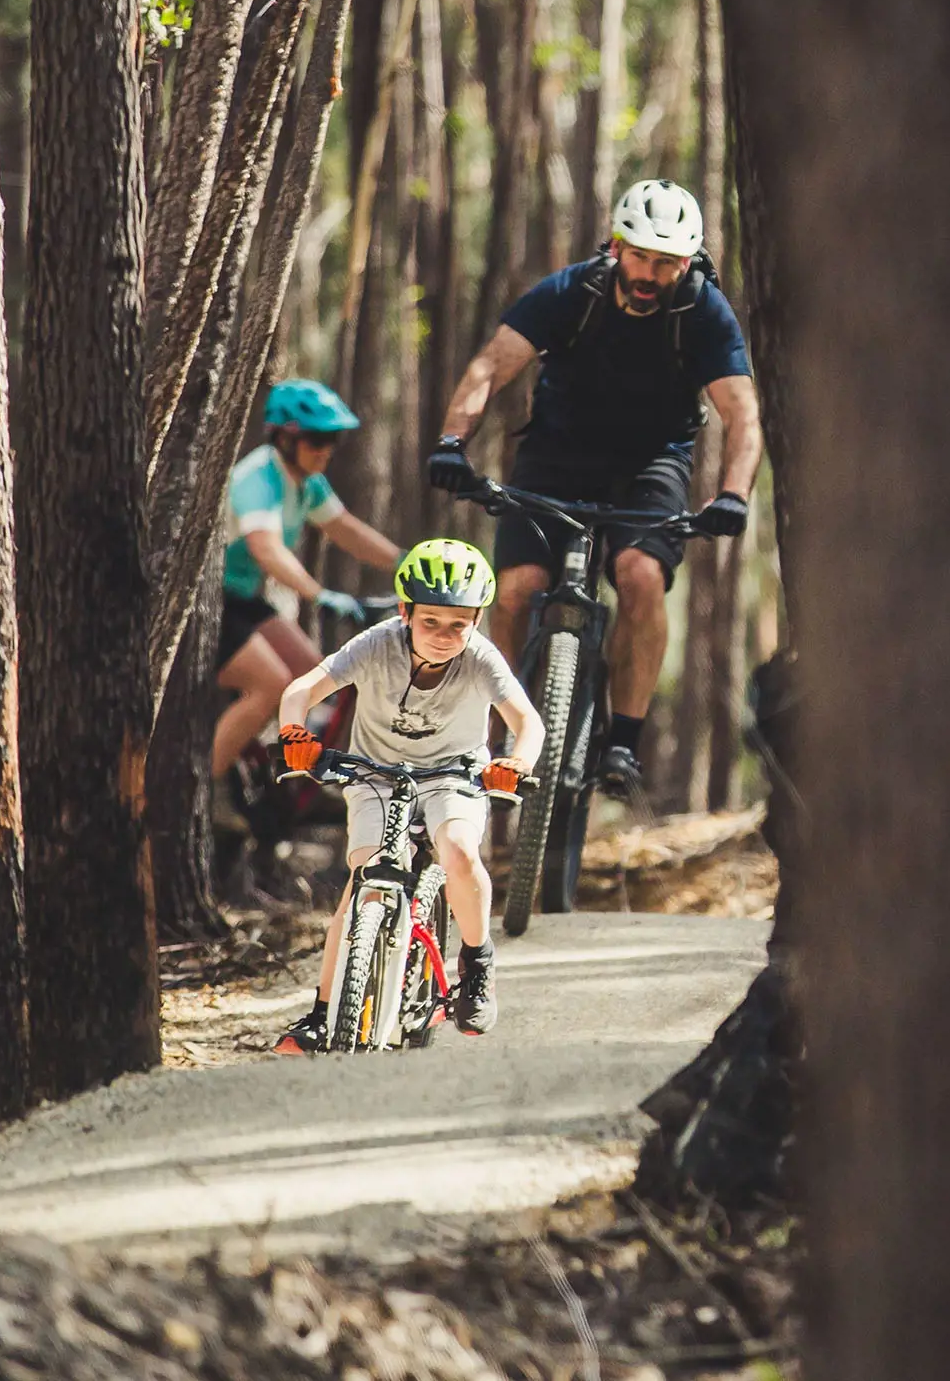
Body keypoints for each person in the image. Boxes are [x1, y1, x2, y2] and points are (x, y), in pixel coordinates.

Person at [424, 179, 761, 792]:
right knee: (517, 590)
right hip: (555, 454)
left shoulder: (703, 312)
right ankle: (504, 736)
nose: (648, 273)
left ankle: (622, 745)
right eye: (639, 256)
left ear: (684, 264)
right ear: (617, 246)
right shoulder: (571, 292)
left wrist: (734, 493)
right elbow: (491, 366)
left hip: (652, 465)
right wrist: (452, 443)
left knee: (638, 576)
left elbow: (742, 414)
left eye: (664, 263)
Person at [269, 540, 543, 1052]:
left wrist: (516, 764)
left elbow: (527, 722)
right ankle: (323, 1014)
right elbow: (300, 691)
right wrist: (294, 735)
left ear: (477, 621)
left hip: (453, 777)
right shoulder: (376, 644)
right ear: (405, 613)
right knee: (362, 881)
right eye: (430, 622)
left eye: (459, 624)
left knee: (459, 850)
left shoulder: (481, 658)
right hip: (375, 775)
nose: (444, 636)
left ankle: (477, 965)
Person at [215, 379, 403, 781]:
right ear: (285, 438)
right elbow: (265, 548)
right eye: (317, 439)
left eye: (332, 439)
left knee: (315, 675)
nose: (326, 450)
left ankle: (287, 776)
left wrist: (407, 563)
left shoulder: (305, 481)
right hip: (213, 604)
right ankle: (209, 794)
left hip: (244, 599)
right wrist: (318, 595)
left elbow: (345, 529)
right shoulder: (259, 477)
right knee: (270, 684)